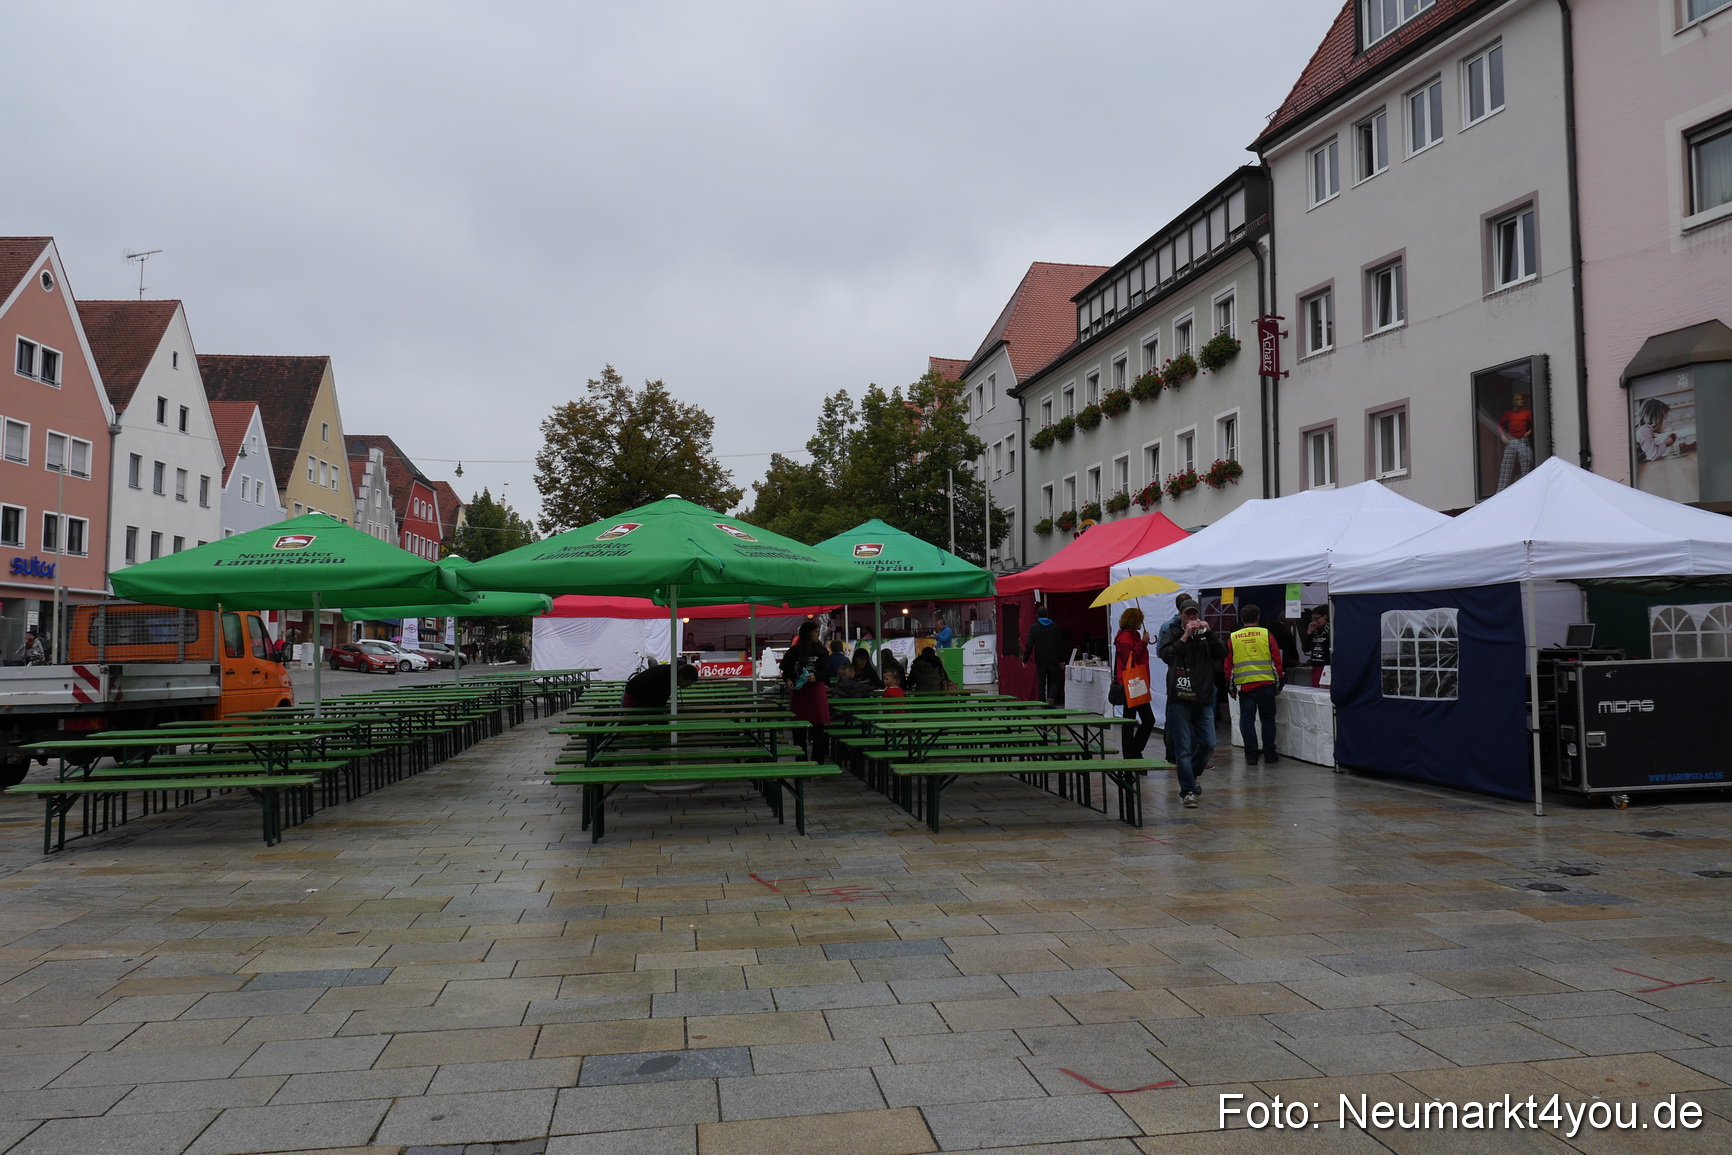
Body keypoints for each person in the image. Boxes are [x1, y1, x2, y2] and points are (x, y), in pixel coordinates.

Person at [1157, 593, 1226, 809]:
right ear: (1181, 616)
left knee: (1208, 744)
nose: (1192, 618)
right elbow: (1166, 655)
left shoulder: (1206, 635)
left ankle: (1192, 774)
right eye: (1189, 614)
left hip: (1203, 697)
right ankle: (1187, 790)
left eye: (1195, 613)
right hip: (1180, 698)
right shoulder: (1172, 631)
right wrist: (1185, 637)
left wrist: (1211, 633)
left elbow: (1222, 653)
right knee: (1184, 748)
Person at [1226, 604, 1284, 765]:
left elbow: (1229, 665)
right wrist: (1279, 683)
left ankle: (1251, 755)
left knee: (1247, 720)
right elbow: (1276, 660)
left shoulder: (1233, 637)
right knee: (1268, 720)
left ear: (1242, 619)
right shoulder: (1267, 635)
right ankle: (1270, 754)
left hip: (1245, 687)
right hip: (1265, 685)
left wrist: (1230, 686)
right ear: (1258, 618)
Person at [780, 620, 833, 758]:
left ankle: (818, 761)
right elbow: (785, 671)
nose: (817, 635)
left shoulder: (821, 651)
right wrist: (788, 680)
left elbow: (825, 670)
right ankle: (801, 760)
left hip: (816, 693)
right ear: (807, 634)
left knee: (818, 731)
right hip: (799, 694)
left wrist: (816, 677)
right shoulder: (794, 651)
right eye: (815, 632)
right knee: (799, 731)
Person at [1112, 607, 1156, 760]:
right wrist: (1143, 643)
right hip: (1132, 683)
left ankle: (1133, 753)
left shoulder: (1132, 635)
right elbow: (1129, 658)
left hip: (1136, 683)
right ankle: (1132, 753)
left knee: (1133, 720)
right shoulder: (1125, 637)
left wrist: (1142, 641)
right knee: (1140, 720)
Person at [1023, 605, 1067, 705]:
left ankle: (1041, 701)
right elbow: (1060, 644)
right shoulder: (1055, 626)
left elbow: (1029, 645)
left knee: (1041, 682)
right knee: (1055, 681)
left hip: (1041, 660)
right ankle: (1051, 697)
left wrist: (1025, 659)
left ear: (1037, 615)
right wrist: (1062, 660)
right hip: (1054, 659)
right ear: (1047, 615)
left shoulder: (1034, 628)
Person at [1497, 391, 1536, 489]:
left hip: (1523, 440)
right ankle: (1501, 490)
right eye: (1518, 400)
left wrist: (1529, 432)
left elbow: (1535, 423)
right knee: (1506, 465)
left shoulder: (1527, 412)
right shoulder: (1508, 413)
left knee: (1526, 466)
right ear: (1513, 401)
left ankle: (1526, 488)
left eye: (1521, 399)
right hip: (1512, 440)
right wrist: (1503, 435)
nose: (1520, 401)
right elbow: (1499, 425)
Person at [621, 660, 698, 708]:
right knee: (628, 725)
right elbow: (658, 703)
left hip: (640, 696)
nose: (689, 685)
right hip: (632, 697)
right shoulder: (666, 678)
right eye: (688, 683)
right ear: (681, 677)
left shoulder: (672, 674)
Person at [1305, 606, 1332, 688]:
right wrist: (1309, 633)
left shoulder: (1331, 631)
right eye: (1313, 619)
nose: (1315, 621)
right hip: (1316, 666)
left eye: (1317, 618)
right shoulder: (1315, 631)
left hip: (1327, 667)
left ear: (1325, 617)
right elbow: (1305, 648)